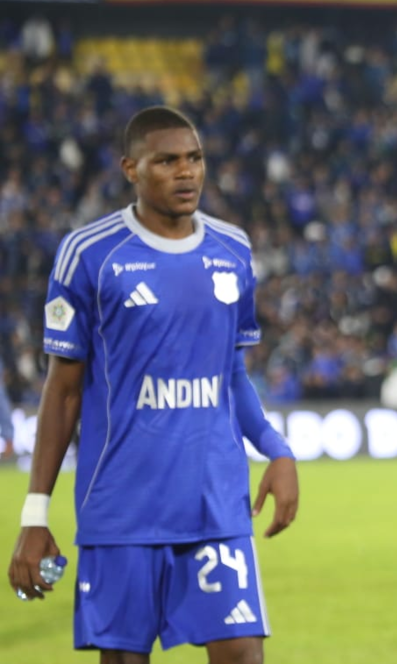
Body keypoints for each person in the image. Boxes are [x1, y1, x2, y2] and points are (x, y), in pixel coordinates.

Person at [7, 106, 299, 664]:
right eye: (166, 161)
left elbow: (231, 373)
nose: (186, 172)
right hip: (122, 512)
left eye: (195, 159)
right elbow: (62, 391)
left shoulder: (233, 249)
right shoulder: (89, 254)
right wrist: (35, 515)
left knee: (244, 655)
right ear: (131, 169)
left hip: (216, 506)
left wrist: (276, 449)